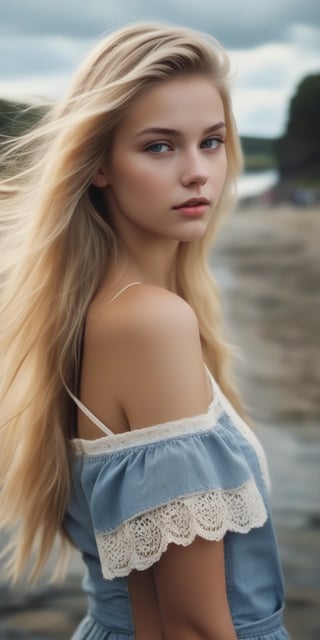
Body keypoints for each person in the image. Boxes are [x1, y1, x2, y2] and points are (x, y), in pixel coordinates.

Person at [0, 22, 290, 640]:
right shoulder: (150, 321)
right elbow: (192, 626)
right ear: (99, 164)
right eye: (160, 146)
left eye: (211, 142)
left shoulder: (105, 306)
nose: (197, 173)